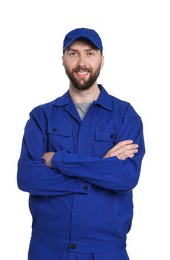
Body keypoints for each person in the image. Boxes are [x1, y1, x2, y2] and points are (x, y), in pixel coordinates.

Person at [17, 27, 145, 260]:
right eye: (73, 53)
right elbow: (27, 177)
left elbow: (125, 178)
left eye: (90, 53)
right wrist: (101, 168)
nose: (82, 62)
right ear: (63, 59)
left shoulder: (126, 116)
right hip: (48, 248)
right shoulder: (41, 116)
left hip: (106, 250)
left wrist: (58, 159)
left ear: (102, 60)